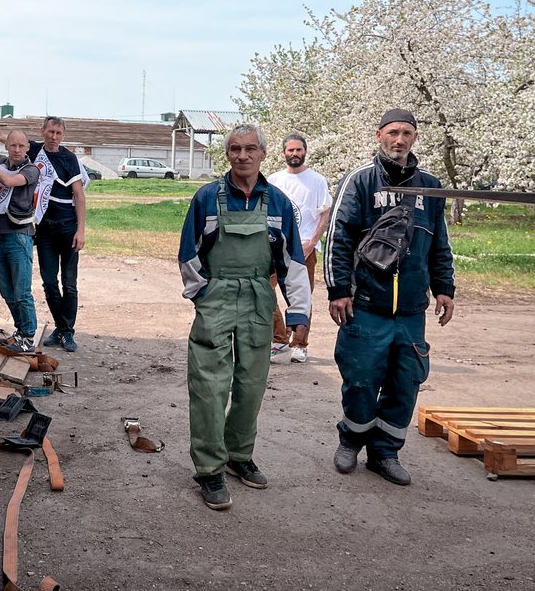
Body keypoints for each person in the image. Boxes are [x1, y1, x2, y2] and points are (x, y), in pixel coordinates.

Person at [178, 124, 312, 510]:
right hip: (217, 296)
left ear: (263, 154)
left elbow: (292, 262)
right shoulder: (206, 198)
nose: (242, 155)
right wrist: (202, 294)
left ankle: (239, 456)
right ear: (227, 154)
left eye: (250, 149)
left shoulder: (279, 203)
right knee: (209, 386)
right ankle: (209, 470)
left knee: (251, 384)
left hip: (258, 296)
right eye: (235, 149)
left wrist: (298, 310)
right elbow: (189, 253)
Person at [324, 108, 456, 486]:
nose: (399, 140)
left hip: (411, 310)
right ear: (378, 135)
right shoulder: (360, 182)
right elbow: (339, 237)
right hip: (367, 304)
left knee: (405, 382)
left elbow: (440, 243)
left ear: (415, 137)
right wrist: (338, 290)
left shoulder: (429, 186)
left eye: (407, 133)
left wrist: (444, 287)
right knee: (361, 378)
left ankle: (385, 452)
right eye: (393, 133)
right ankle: (351, 441)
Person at [0, 117, 88, 352]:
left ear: (63, 135)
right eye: (50, 132)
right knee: (48, 283)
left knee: (69, 283)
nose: (54, 136)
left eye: (58, 132)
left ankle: (67, 331)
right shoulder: (33, 148)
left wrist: (80, 230)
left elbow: (79, 195)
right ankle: (59, 328)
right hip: (45, 228)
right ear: (42, 132)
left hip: (67, 226)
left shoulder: (69, 158)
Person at [268, 133, 332, 364]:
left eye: (298, 150)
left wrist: (312, 242)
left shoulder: (317, 180)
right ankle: (279, 339)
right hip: (275, 248)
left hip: (303, 248)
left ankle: (299, 344)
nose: (294, 154)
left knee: (302, 297)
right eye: (290, 150)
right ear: (283, 152)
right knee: (265, 293)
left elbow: (324, 212)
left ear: (305, 151)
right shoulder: (274, 180)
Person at [0, 130, 41, 353]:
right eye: (13, 146)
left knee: (21, 291)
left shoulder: (31, 170)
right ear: (7, 147)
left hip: (20, 235)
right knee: (7, 290)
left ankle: (28, 337)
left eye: (21, 146)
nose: (17, 150)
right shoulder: (2, 162)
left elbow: (9, 182)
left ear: (28, 147)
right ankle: (20, 331)